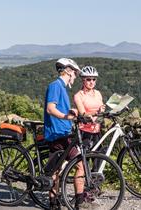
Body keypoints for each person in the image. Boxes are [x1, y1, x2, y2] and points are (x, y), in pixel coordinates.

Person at [44, 58, 83, 210]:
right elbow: (50, 109)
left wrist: (71, 111)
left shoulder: (62, 88)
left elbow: (59, 109)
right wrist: (68, 116)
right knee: (77, 165)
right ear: (67, 70)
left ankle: (56, 202)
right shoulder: (56, 85)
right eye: (74, 72)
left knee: (58, 169)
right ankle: (74, 203)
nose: (75, 75)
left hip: (64, 132)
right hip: (57, 134)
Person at [73, 66, 105, 148]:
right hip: (84, 132)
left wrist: (102, 110)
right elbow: (83, 113)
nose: (92, 82)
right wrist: (96, 112)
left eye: (94, 79)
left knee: (99, 160)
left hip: (97, 131)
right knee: (84, 159)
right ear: (83, 80)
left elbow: (101, 110)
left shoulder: (98, 93)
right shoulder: (78, 96)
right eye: (88, 79)